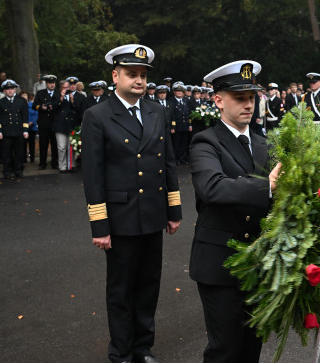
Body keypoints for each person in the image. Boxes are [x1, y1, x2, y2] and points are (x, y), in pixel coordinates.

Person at [82, 44, 182, 363]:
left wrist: (173, 210)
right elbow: (93, 175)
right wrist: (100, 226)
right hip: (120, 218)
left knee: (148, 286)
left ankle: (142, 347)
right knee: (121, 290)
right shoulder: (97, 115)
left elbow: (167, 163)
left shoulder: (157, 111)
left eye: (142, 75)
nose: (139, 80)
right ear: (115, 76)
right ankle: (121, 352)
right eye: (131, 74)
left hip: (152, 214)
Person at [189, 60, 281, 363]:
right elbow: (212, 187)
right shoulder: (206, 141)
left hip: (257, 261)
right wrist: (266, 186)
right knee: (224, 349)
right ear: (218, 100)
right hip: (220, 263)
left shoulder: (263, 143)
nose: (248, 105)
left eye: (252, 98)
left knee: (251, 347)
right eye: (239, 98)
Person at [0, 80, 29, 179]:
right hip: (6, 132)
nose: (10, 91)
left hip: (18, 131)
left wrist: (25, 130)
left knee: (19, 153)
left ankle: (18, 170)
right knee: (6, 153)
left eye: (12, 89)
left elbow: (25, 117)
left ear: (15, 89)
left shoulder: (21, 101)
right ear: (4, 91)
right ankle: (7, 171)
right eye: (7, 89)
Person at [52, 79, 80, 172]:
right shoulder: (56, 96)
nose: (66, 89)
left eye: (67, 87)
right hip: (60, 125)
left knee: (71, 146)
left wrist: (72, 100)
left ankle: (71, 165)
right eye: (64, 87)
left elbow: (78, 109)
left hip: (71, 125)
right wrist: (61, 97)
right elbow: (54, 107)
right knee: (61, 147)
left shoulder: (74, 96)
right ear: (60, 88)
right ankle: (62, 166)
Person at [32, 75, 60, 170]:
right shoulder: (40, 93)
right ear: (46, 84)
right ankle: (42, 163)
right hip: (43, 123)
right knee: (43, 144)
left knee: (54, 144)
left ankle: (54, 162)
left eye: (53, 83)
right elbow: (34, 105)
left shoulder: (58, 93)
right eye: (50, 83)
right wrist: (41, 107)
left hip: (54, 122)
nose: (52, 85)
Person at [170, 82, 191, 165]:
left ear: (183, 92)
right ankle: (176, 159)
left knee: (184, 143)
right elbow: (171, 116)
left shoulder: (186, 100)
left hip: (185, 125)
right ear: (174, 92)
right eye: (177, 91)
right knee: (176, 144)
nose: (179, 92)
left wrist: (189, 125)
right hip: (177, 127)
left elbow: (189, 113)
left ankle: (183, 158)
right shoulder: (171, 101)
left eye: (181, 91)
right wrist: (173, 127)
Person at [20, 91, 38, 163]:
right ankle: (24, 159)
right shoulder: (19, 105)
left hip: (32, 127)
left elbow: (36, 114)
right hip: (22, 127)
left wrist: (32, 122)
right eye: (23, 95)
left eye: (25, 95)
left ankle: (32, 158)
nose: (24, 96)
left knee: (31, 144)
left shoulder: (32, 105)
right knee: (23, 144)